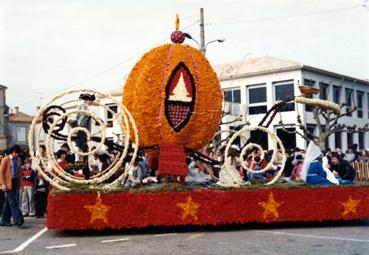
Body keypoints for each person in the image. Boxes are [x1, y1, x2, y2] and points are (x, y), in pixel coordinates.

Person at [0, 145, 24, 226]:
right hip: (8, 183)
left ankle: (4, 221)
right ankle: (19, 219)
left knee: (8, 202)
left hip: (15, 182)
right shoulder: (5, 159)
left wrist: (21, 185)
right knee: (13, 201)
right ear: (13, 151)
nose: (17, 154)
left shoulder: (19, 160)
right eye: (17, 153)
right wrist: (3, 184)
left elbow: (20, 174)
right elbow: (1, 173)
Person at [74, 93, 96, 180]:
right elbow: (78, 117)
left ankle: (86, 166)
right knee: (80, 145)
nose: (92, 102)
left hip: (85, 130)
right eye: (91, 101)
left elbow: (93, 117)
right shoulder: (82, 106)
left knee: (85, 146)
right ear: (87, 100)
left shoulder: (89, 108)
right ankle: (80, 162)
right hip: (81, 129)